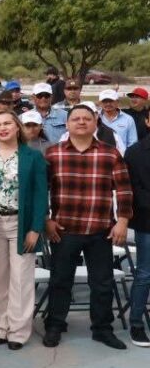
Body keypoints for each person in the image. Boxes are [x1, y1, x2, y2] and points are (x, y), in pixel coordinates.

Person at [43, 104, 133, 350]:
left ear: (96, 123)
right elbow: (41, 191)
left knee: (102, 284)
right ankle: (55, 325)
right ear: (68, 124)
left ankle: (102, 329)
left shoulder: (111, 154)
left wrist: (123, 221)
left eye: (86, 118)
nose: (81, 122)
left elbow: (124, 190)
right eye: (75, 119)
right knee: (60, 281)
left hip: (100, 230)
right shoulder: (53, 154)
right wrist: (46, 220)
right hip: (64, 230)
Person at [0, 109, 48, 350]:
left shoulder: (33, 157)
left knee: (21, 279)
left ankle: (18, 330)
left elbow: (40, 195)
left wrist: (36, 228)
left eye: (7, 123)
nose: (3, 128)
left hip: (22, 223)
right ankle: (0, 327)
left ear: (18, 127)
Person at [123, 111, 150, 347]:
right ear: (148, 121)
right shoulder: (135, 153)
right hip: (147, 223)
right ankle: (137, 323)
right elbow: (134, 190)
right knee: (144, 274)